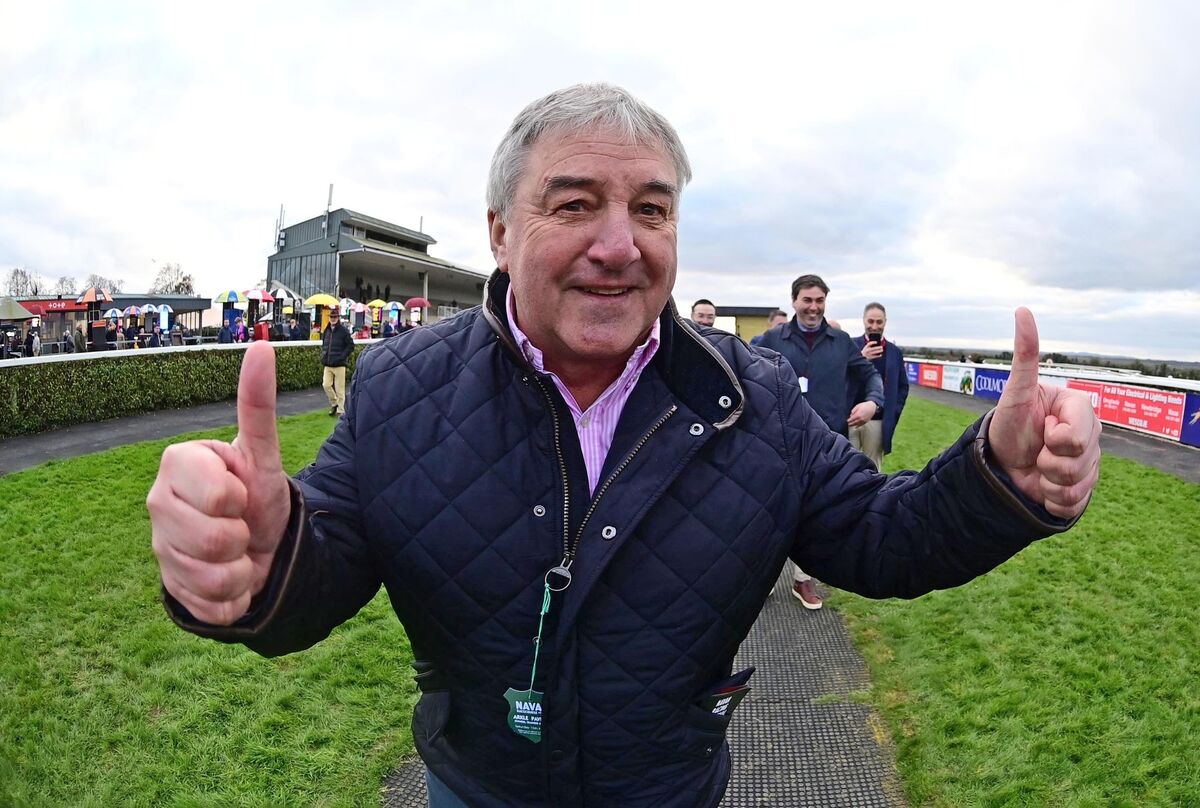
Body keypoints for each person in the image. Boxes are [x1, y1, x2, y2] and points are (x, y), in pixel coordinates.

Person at [147, 84, 1100, 808]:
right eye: (573, 206)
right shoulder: (403, 388)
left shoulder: (751, 397)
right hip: (477, 790)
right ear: (499, 233)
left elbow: (881, 537)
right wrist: (254, 565)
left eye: (651, 210)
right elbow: (316, 571)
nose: (621, 244)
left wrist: (999, 481)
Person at [756, 275, 884, 610]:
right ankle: (763, 575)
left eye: (819, 301)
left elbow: (869, 375)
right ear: (794, 301)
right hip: (777, 440)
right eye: (807, 300)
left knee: (814, 511)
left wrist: (873, 402)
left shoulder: (841, 342)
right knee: (770, 510)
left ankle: (802, 578)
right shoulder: (770, 339)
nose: (813, 307)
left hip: (826, 442)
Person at [850, 302, 909, 471]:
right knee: (845, 468)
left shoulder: (894, 352)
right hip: (850, 419)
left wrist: (892, 413)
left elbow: (902, 387)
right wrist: (861, 358)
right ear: (863, 321)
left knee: (872, 471)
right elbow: (839, 378)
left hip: (878, 422)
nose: (874, 326)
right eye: (870, 321)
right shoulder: (850, 346)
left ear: (885, 322)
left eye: (879, 322)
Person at [319, 308, 353, 417]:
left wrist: (342, 357)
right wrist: (324, 356)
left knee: (340, 389)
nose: (333, 319)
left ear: (338, 318)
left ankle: (341, 411)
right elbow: (324, 344)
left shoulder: (344, 331)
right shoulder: (327, 330)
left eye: (335, 317)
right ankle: (334, 403)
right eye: (331, 317)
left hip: (339, 364)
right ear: (329, 318)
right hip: (328, 364)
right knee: (326, 385)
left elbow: (350, 346)